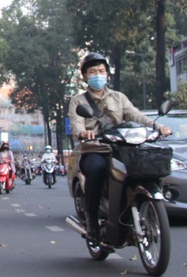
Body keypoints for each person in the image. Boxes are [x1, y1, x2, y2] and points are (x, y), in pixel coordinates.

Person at [68, 52, 171, 244]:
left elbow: (137, 116)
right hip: (96, 150)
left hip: (123, 150)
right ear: (85, 76)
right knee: (97, 169)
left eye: (101, 71)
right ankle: (92, 223)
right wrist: (83, 133)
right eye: (92, 71)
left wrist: (158, 126)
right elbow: (76, 123)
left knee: (142, 168)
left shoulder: (119, 98)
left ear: (107, 74)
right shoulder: (78, 101)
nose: (97, 74)